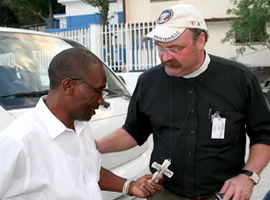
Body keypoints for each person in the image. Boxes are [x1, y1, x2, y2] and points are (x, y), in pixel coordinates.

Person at [96, 4, 270, 200]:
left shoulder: (239, 78)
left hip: (222, 195)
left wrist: (249, 176)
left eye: (175, 49)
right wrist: (94, 146)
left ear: (200, 40)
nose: (165, 57)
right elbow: (134, 131)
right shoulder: (148, 82)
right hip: (165, 193)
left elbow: (264, 134)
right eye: (159, 48)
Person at [0, 48, 162, 199]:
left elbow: (88, 170)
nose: (102, 100)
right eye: (98, 90)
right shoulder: (18, 142)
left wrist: (129, 185)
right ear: (68, 86)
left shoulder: (80, 127)